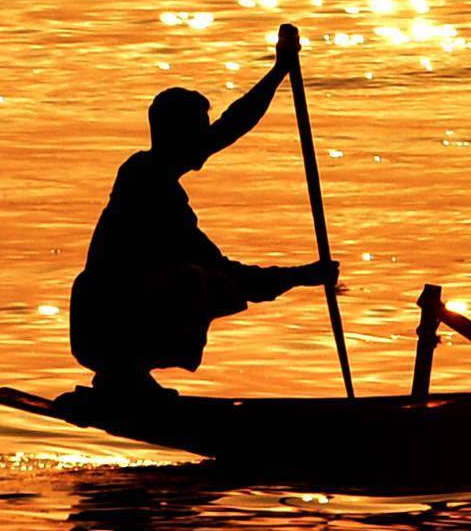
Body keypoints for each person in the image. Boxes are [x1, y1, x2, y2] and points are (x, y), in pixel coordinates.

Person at [68, 26, 337, 390]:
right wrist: (301, 276)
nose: (209, 141)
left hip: (104, 321)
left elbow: (232, 124)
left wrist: (278, 71)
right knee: (199, 282)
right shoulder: (151, 191)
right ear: (177, 137)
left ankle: (129, 373)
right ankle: (125, 370)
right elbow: (227, 272)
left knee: (201, 281)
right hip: (100, 329)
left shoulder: (152, 166)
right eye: (199, 132)